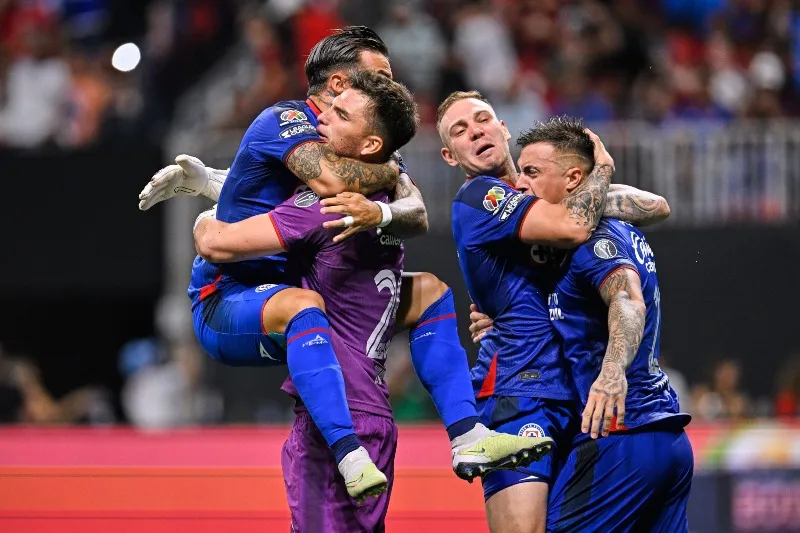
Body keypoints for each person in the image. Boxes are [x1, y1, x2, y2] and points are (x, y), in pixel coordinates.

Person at [139, 26, 553, 494]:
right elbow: (330, 183)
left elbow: (416, 213)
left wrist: (381, 209)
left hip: (306, 284)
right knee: (304, 306)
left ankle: (468, 436)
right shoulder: (288, 121)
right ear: (339, 84)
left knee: (430, 293)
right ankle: (348, 453)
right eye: (381, 75)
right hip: (231, 295)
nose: (392, 85)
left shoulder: (365, 139)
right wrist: (387, 171)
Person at [436, 92, 670, 533]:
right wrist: (601, 170)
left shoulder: (541, 192)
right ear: (450, 156)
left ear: (504, 128)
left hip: (575, 391)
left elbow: (656, 205)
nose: (476, 132)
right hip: (519, 389)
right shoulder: (478, 197)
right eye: (460, 131)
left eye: (482, 119)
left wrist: (580, 193)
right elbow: (578, 224)